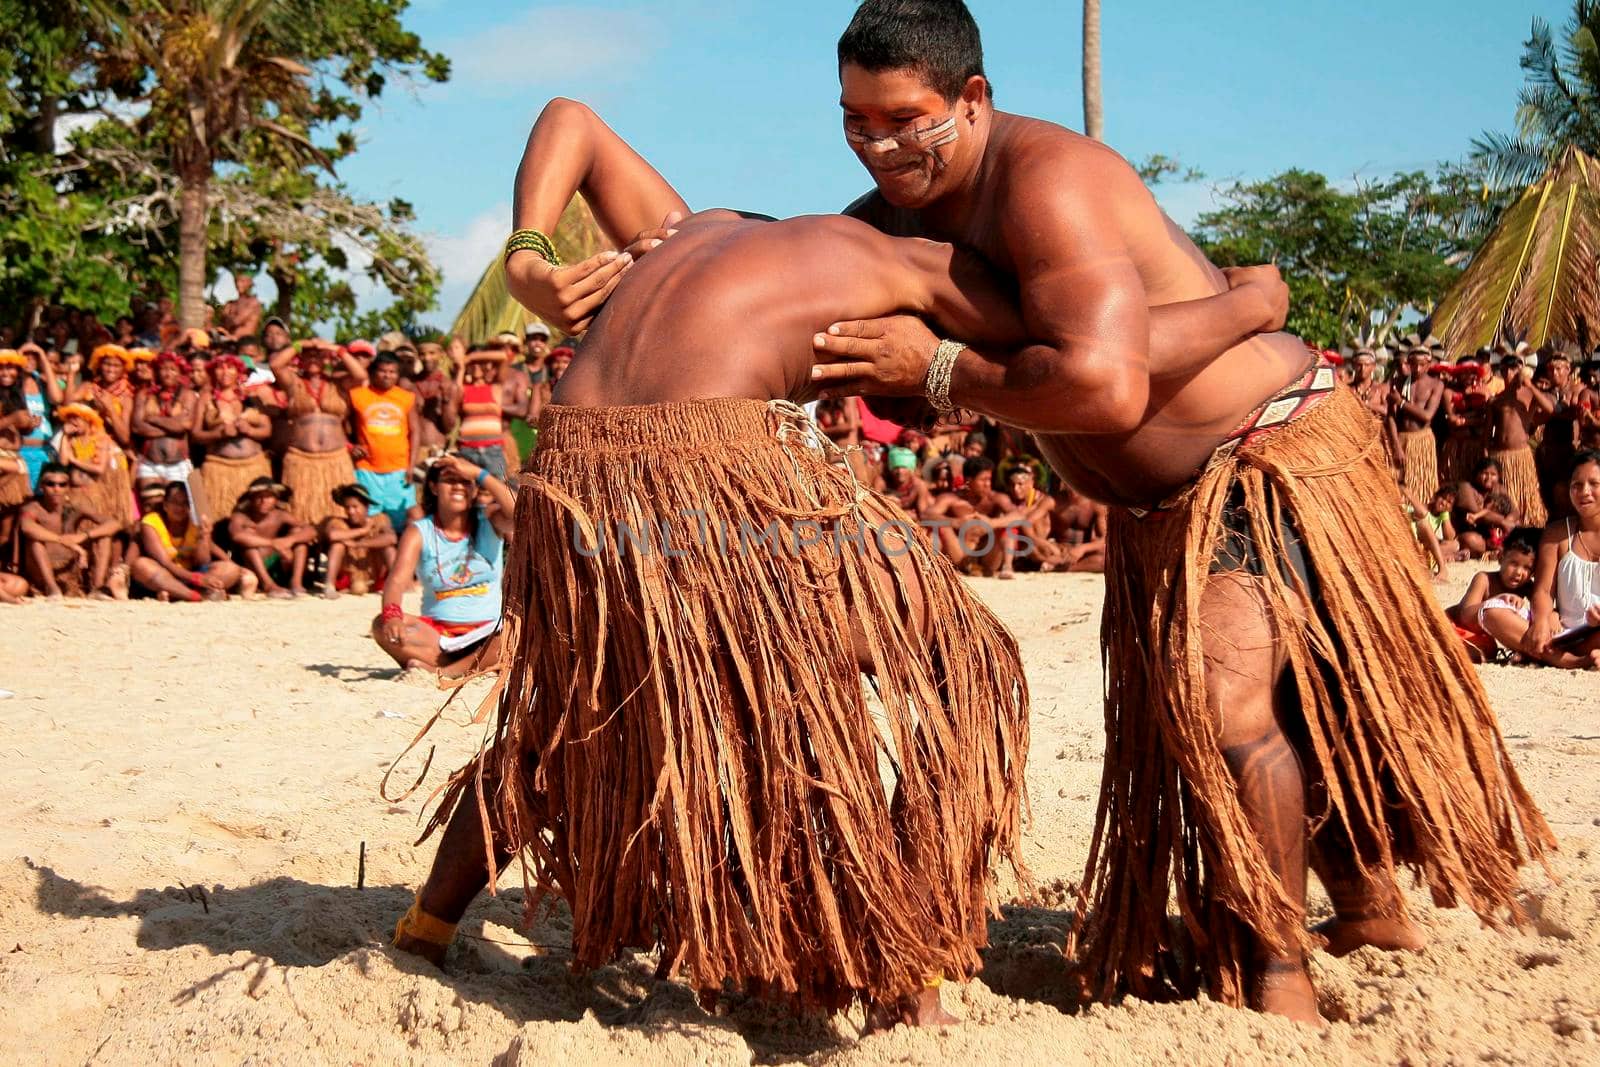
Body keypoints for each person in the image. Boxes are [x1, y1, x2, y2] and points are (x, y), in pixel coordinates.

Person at [772, 1, 1546, 1024]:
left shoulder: (1048, 181)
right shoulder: (889, 218)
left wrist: (946, 368)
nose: (878, 146)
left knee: (1232, 706)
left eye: (903, 119)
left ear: (972, 98)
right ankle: (1364, 903)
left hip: (1265, 455)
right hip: (1159, 507)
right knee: (1292, 702)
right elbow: (780, 270)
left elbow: (1102, 390)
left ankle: (1280, 982)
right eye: (854, 122)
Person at [372, 455, 511, 673]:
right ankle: (466, 666)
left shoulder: (489, 519)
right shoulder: (419, 531)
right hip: (438, 635)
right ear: (434, 487)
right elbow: (397, 580)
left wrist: (479, 474)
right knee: (381, 625)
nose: (458, 486)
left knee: (511, 637)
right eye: (450, 480)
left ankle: (448, 673)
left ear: (475, 490)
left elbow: (519, 513)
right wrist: (392, 616)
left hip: (489, 631)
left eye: (465, 481)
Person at [270, 339, 366, 527]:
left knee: (338, 513)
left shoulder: (339, 384)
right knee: (300, 514)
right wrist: (299, 344)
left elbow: (360, 375)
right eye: (308, 356)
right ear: (300, 360)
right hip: (301, 459)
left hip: (335, 460)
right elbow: (275, 365)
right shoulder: (293, 383)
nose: (313, 359)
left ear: (327, 360)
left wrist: (336, 349)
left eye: (319, 356)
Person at [1521, 450, 1600, 669]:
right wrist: (1542, 620)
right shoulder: (1556, 533)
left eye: (1594, 483)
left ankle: (1555, 657)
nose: (1584, 492)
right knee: (1494, 612)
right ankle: (1577, 661)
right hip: (1561, 635)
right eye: (1577, 485)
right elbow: (1543, 591)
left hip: (1597, 633)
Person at [20, 463, 122, 599]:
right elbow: (27, 527)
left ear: (68, 487)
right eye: (51, 484)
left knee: (104, 537)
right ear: (41, 485)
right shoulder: (32, 508)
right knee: (35, 542)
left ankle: (97, 588)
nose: (56, 489)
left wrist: (84, 536)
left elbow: (114, 524)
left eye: (62, 484)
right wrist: (65, 541)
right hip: (41, 570)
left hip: (71, 568)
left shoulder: (75, 506)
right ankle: (52, 588)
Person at [132, 481, 247, 601]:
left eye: (185, 503)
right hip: (165, 575)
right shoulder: (151, 523)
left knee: (231, 569)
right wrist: (197, 579)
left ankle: (177, 594)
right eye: (175, 503)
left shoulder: (196, 523)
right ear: (165, 505)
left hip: (193, 575)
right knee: (141, 565)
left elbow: (202, 562)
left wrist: (204, 537)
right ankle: (194, 596)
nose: (180, 508)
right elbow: (165, 562)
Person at [192, 353, 273, 522]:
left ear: (239, 372)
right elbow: (195, 434)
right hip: (219, 470)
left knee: (254, 520)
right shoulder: (206, 399)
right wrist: (218, 434)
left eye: (230, 368)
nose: (225, 372)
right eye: (220, 368)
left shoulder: (252, 397)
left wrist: (249, 430)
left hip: (253, 467)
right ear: (213, 372)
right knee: (219, 521)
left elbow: (267, 430)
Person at [349, 352, 421, 532]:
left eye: (392, 371)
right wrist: (351, 446)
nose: (388, 375)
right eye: (383, 371)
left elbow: (415, 431)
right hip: (367, 469)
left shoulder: (406, 397)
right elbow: (343, 425)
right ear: (373, 372)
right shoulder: (357, 395)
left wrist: (411, 466)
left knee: (402, 519)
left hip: (399, 470)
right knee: (372, 519)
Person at [1451, 530, 1539, 663]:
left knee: (1489, 648)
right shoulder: (1484, 579)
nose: (1519, 572)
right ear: (1501, 557)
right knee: (1478, 652)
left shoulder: (1526, 587)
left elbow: (1539, 614)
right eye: (1514, 563)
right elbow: (1466, 615)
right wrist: (1497, 602)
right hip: (1457, 626)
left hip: (1483, 635)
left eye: (1527, 568)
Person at [1488, 351, 1553, 528]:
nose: (1509, 374)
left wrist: (1530, 385)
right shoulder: (1497, 400)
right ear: (1501, 372)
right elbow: (1486, 436)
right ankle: (1503, 529)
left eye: (1513, 369)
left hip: (1520, 456)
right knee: (1504, 498)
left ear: (1521, 370)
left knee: (1524, 497)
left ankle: (1527, 526)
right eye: (1505, 370)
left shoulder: (1529, 394)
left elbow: (1550, 409)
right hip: (1499, 457)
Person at [53, 402, 136, 533]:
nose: (73, 421)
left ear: (87, 420)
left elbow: (99, 469)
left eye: (77, 418)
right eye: (70, 418)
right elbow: (63, 462)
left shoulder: (101, 441)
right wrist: (64, 434)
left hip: (94, 494)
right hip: (74, 493)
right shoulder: (70, 440)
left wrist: (74, 460)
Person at [227, 476, 315, 598]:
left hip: (278, 565)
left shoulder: (280, 515)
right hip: (252, 566)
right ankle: (268, 585)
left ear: (276, 499)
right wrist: (272, 543)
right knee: (248, 540)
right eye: (259, 497)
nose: (264, 501)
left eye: (268, 497)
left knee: (298, 532)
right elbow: (237, 536)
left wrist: (289, 540)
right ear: (251, 499)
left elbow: (311, 531)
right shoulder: (240, 517)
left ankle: (296, 583)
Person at [131, 351, 198, 496]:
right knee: (151, 505)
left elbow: (185, 425)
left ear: (180, 373)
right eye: (163, 369)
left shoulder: (188, 395)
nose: (167, 374)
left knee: (177, 506)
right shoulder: (144, 394)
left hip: (178, 464)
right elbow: (137, 427)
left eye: (172, 369)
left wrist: (153, 419)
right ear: (156, 371)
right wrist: (172, 426)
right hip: (149, 464)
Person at [1387, 341, 1444, 505]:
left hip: (1422, 442)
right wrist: (1396, 446)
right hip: (1402, 440)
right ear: (1408, 363)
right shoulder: (1398, 382)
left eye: (1422, 365)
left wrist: (1402, 403)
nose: (1418, 369)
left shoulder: (1437, 384)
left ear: (1429, 364)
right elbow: (1391, 417)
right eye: (1414, 364)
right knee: (1397, 491)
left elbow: (1427, 416)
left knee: (1422, 491)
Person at [321, 483, 397, 598]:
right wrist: (363, 530)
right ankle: (329, 586)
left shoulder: (380, 519)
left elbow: (392, 538)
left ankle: (396, 586)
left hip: (375, 576)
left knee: (389, 548)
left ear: (366, 506)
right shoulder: (338, 522)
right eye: (347, 508)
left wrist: (358, 544)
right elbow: (333, 535)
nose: (351, 511)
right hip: (348, 580)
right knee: (337, 545)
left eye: (355, 507)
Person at [451, 346, 509, 480]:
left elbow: (503, 356)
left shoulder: (495, 388)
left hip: (493, 451)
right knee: (470, 494)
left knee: (496, 492)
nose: (476, 367)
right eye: (472, 365)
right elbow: (455, 392)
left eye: (480, 363)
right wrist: (461, 367)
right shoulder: (464, 389)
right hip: (467, 450)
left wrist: (471, 357)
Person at [219, 273, 263, 341]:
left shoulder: (253, 302)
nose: (238, 284)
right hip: (228, 339)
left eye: (242, 281)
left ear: (249, 283)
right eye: (236, 281)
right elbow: (222, 323)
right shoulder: (230, 304)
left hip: (245, 342)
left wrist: (227, 317)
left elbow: (236, 321)